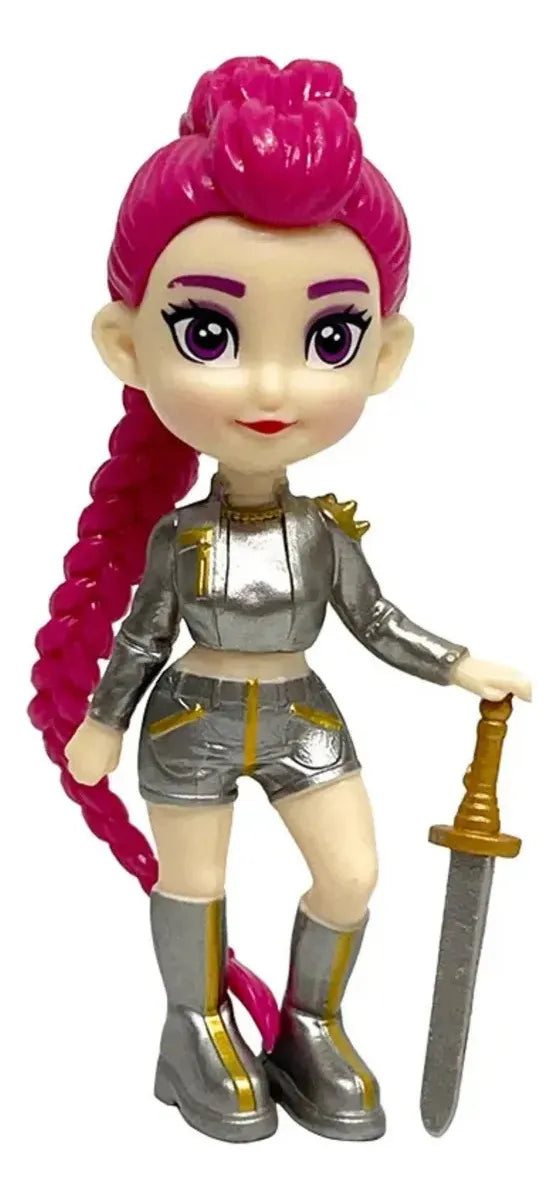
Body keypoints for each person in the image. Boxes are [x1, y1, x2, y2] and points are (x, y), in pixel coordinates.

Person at [30, 56, 531, 1143]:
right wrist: (103, 720)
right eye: (208, 334)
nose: (269, 386)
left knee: (349, 872)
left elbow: (375, 621)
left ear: (384, 355)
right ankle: (193, 1027)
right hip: (190, 720)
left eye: (327, 338)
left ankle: (310, 1021)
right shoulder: (179, 537)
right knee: (194, 880)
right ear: (126, 345)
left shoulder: (321, 537)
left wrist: (458, 664)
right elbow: (143, 636)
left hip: (303, 717)